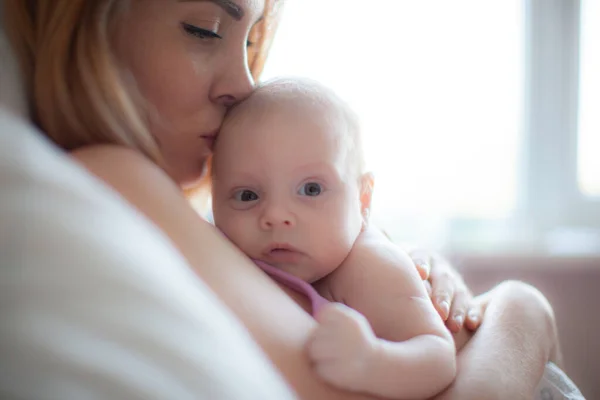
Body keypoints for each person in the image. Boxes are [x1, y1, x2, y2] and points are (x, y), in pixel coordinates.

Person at [3, 1, 563, 398]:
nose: (245, 84)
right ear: (89, 19)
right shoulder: (115, 178)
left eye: (250, 41)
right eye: (204, 28)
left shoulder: (183, 215)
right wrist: (520, 311)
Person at [212, 77, 456, 399]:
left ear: (363, 199)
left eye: (311, 189)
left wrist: (371, 362)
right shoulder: (224, 254)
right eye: (246, 195)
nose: (275, 215)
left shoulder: (370, 265)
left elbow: (439, 357)